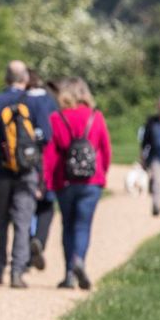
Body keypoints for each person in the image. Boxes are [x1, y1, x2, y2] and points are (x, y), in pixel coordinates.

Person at [0, 60, 50, 289]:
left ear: (6, 78)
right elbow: (46, 136)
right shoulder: (35, 104)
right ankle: (18, 271)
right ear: (25, 79)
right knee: (23, 221)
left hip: (0, 171)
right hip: (27, 171)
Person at [43, 78, 112, 290]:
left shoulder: (57, 118)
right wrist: (102, 173)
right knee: (83, 225)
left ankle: (68, 275)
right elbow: (105, 149)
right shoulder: (96, 116)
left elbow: (50, 154)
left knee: (68, 225)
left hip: (65, 179)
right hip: (91, 181)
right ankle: (79, 260)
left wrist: (47, 180)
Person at [26, 68, 60, 271]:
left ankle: (27, 246)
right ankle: (39, 239)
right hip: (47, 161)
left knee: (24, 208)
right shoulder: (50, 102)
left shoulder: (19, 100)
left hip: (23, 160)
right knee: (46, 207)